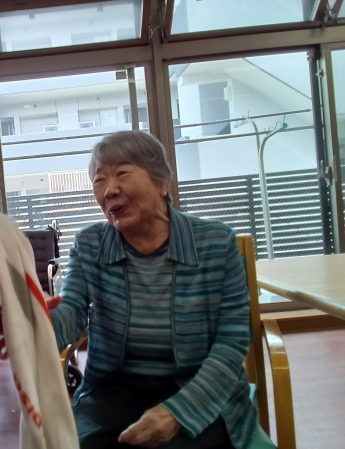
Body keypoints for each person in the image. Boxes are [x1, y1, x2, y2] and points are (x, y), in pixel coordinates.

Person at [50, 130, 257, 449]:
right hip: (112, 395)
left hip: (199, 389)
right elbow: (71, 312)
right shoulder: (90, 244)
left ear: (163, 183)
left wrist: (178, 413)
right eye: (99, 180)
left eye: (122, 173)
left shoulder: (216, 242)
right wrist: (35, 321)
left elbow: (232, 340)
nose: (109, 189)